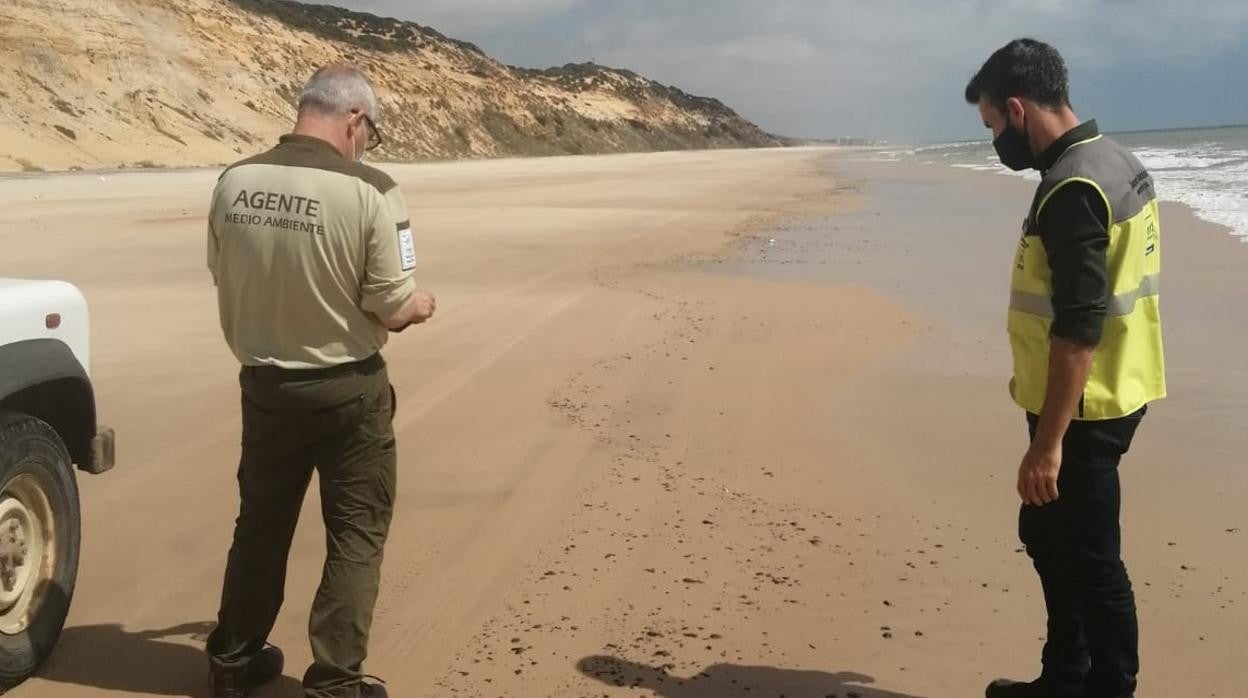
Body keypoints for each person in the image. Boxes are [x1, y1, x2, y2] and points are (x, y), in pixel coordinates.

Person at [204, 64, 436, 698]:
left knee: (260, 526)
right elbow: (391, 305)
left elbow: (224, 273)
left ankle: (232, 661)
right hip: (347, 389)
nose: (369, 145)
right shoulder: (374, 190)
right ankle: (334, 682)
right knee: (356, 532)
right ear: (354, 119)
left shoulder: (234, 181)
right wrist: (418, 307)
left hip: (265, 387)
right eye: (372, 132)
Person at [964, 39, 1166, 698]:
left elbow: (1080, 325)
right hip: (1116, 388)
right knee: (1046, 530)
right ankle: (1065, 674)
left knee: (1091, 557)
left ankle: (1106, 686)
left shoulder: (1073, 186)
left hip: (1086, 406)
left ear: (1019, 110)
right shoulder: (1115, 160)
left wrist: (1048, 445)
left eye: (994, 125)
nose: (997, 140)